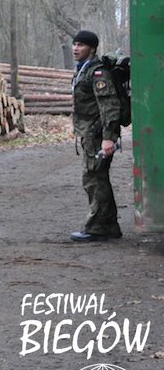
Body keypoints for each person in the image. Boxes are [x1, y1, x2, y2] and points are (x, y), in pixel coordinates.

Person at [69, 30, 123, 242]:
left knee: (93, 179)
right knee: (98, 177)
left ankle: (98, 227)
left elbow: (110, 106)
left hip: (98, 134)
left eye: (81, 45)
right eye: (74, 44)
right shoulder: (84, 70)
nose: (75, 48)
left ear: (92, 49)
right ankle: (109, 226)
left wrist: (108, 138)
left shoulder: (98, 73)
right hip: (90, 133)